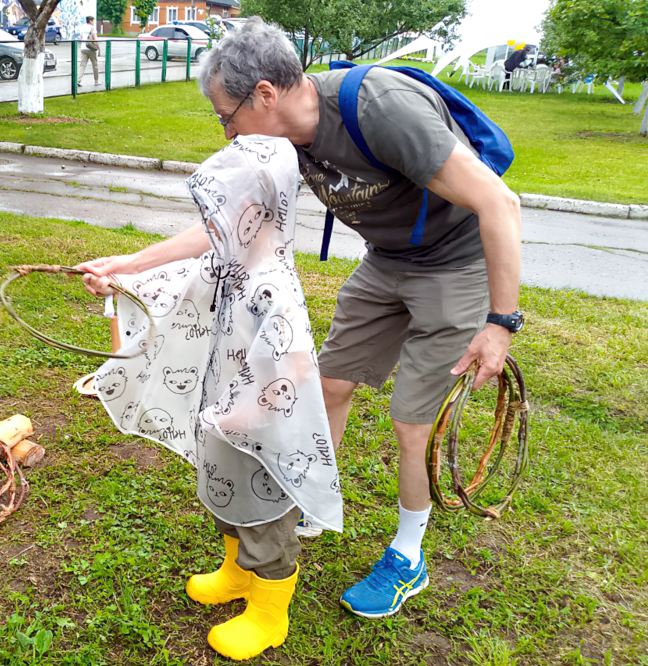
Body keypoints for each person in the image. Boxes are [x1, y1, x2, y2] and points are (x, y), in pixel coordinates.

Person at [87, 17, 523, 621]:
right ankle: (306, 499)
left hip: (456, 263)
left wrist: (500, 322)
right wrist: (132, 263)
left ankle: (408, 553)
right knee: (328, 387)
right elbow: (226, 227)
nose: (226, 129)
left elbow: (500, 202)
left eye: (227, 114)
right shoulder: (281, 142)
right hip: (387, 262)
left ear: (265, 94)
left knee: (410, 421)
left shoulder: (382, 110)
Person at [79, 135, 343, 661]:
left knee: (265, 522)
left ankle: (270, 612)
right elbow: (171, 285)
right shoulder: (228, 264)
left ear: (257, 212)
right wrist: (122, 281)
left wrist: (242, 416)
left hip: (260, 435)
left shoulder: (272, 286)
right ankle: (235, 573)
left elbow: (293, 370)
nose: (210, 224)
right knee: (227, 501)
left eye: (219, 211)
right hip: (222, 420)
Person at [77, 15, 99, 87]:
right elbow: (95, 38)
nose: (94, 22)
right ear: (90, 21)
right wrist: (98, 47)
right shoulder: (92, 28)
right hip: (91, 49)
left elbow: (80, 37)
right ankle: (96, 81)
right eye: (93, 21)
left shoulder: (82, 27)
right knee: (95, 65)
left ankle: (78, 80)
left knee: (82, 65)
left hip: (83, 48)